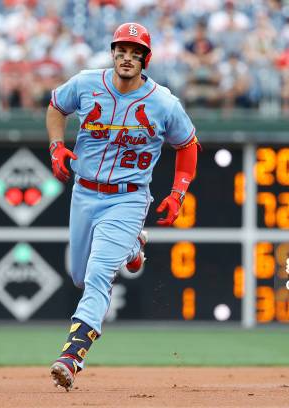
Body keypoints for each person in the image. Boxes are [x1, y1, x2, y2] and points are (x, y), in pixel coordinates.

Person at [46, 22, 199, 391]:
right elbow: (55, 106)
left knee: (98, 276)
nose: (127, 57)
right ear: (113, 53)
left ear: (145, 59)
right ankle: (133, 245)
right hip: (85, 192)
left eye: (135, 52)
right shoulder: (86, 83)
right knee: (80, 276)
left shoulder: (163, 102)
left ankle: (73, 354)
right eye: (122, 50)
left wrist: (178, 192)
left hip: (128, 196)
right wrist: (56, 145)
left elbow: (188, 145)